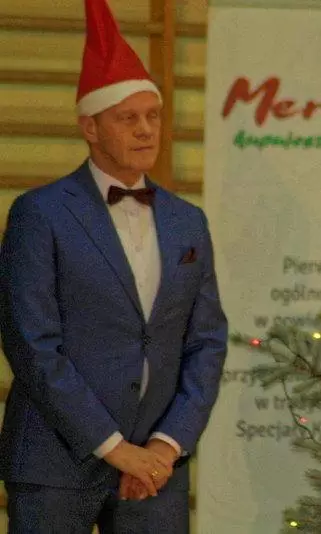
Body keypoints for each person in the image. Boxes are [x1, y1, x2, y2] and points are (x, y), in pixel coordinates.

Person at [0, 0, 228, 531]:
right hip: (57, 463)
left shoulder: (188, 221)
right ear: (90, 126)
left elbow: (206, 341)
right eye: (128, 118)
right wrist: (116, 449)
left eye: (153, 116)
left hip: (156, 468)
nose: (146, 130)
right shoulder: (41, 213)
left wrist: (165, 445)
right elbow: (33, 345)